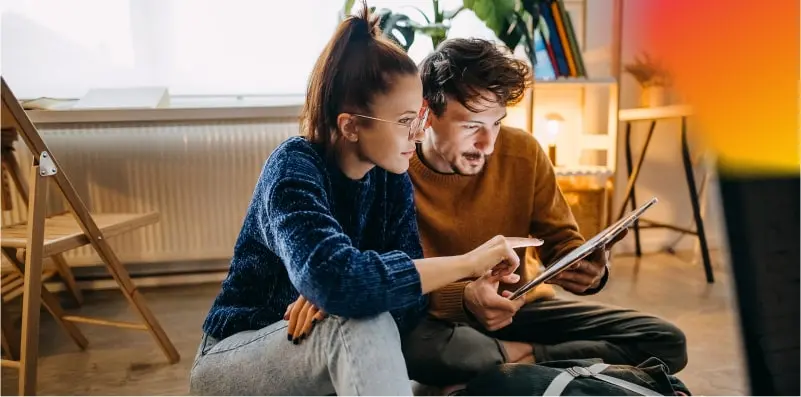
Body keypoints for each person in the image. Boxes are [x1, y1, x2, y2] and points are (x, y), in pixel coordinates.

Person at [187, 6, 542, 396]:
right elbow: (338, 281)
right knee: (358, 320)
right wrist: (468, 263)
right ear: (351, 125)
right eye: (407, 121)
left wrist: (348, 288)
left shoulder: (392, 180)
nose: (419, 135)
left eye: (420, 119)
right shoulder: (292, 169)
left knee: (362, 315)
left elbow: (407, 312)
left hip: (318, 351)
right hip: (237, 357)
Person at [399, 37, 689, 389]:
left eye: (496, 124)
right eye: (472, 126)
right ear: (425, 113)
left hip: (520, 309)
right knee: (414, 347)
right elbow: (391, 279)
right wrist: (462, 297)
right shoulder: (395, 169)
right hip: (438, 317)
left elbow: (562, 242)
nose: (487, 145)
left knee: (665, 340)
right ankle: (549, 367)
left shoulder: (523, 152)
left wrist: (588, 269)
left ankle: (519, 359)